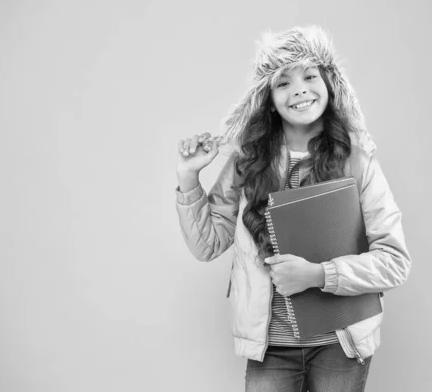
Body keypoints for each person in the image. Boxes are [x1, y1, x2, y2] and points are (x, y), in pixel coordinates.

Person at [175, 25, 411, 392]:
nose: (300, 88)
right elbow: (207, 245)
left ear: (329, 84)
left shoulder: (358, 159)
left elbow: (395, 261)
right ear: (268, 99)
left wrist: (319, 275)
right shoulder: (246, 161)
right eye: (283, 82)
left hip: (341, 347)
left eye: (310, 76)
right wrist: (189, 178)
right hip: (271, 349)